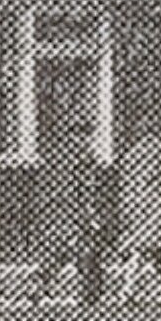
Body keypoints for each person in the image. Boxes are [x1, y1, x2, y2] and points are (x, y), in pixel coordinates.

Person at [29, 120, 112, 306]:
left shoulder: (58, 157)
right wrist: (91, 215)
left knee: (63, 252)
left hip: (62, 213)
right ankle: (88, 294)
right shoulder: (83, 159)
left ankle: (40, 287)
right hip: (72, 214)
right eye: (83, 135)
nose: (87, 140)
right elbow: (85, 190)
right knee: (81, 252)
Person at [112, 115, 161, 302]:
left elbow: (125, 184)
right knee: (146, 249)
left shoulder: (136, 153)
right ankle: (129, 291)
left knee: (150, 249)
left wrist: (126, 208)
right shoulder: (157, 151)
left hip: (142, 207)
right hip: (151, 207)